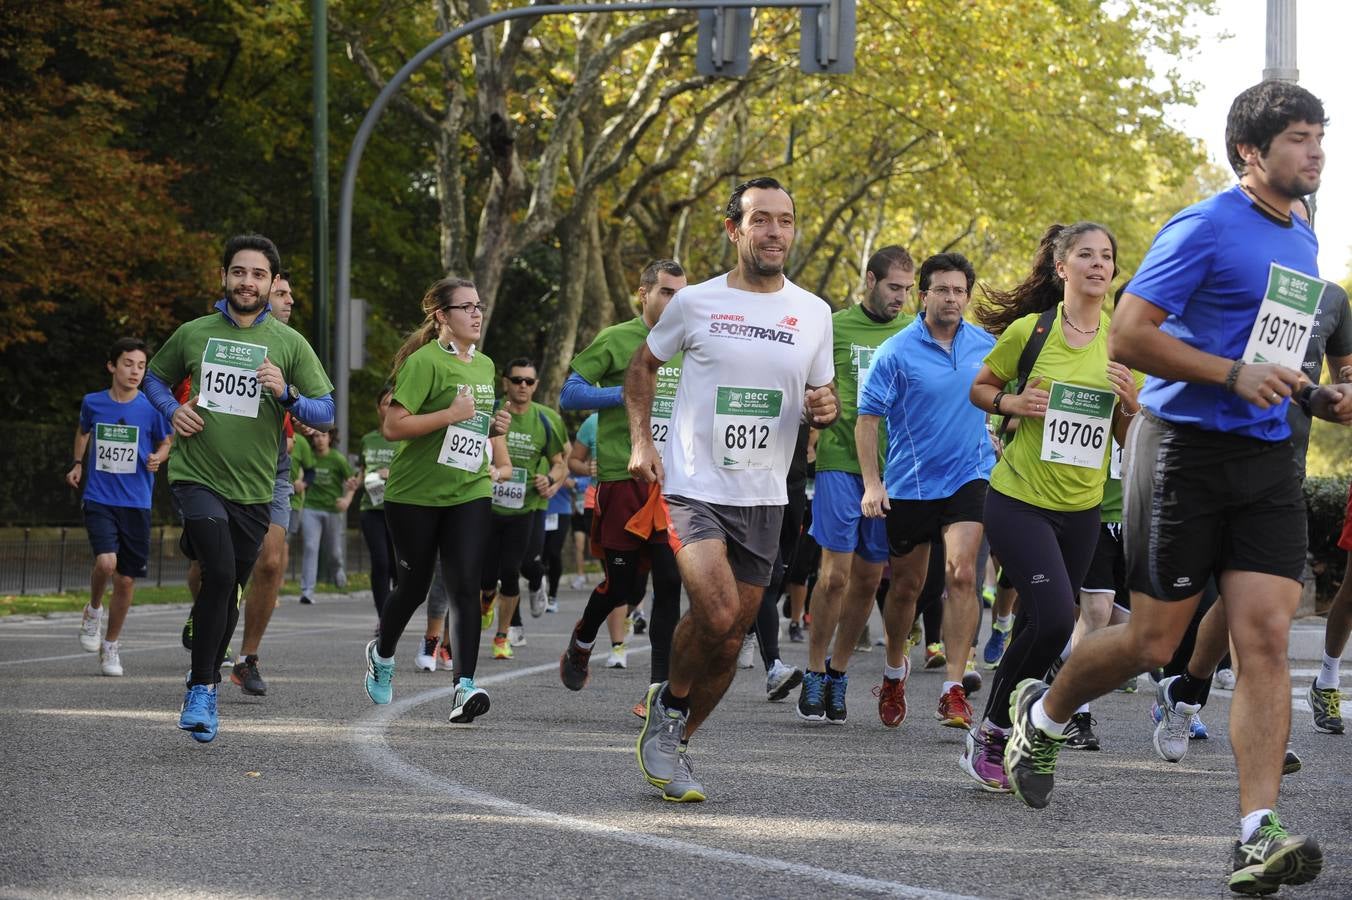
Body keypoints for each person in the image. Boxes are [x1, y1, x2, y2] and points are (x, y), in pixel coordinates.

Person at [1002, 82, 1346, 896]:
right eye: (1300, 139)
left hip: (1264, 463)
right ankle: (1042, 716)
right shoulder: (1202, 225)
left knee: (1261, 639)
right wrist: (1232, 374)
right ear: (1251, 154)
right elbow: (1130, 333)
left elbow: (1271, 347)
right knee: (1154, 644)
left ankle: (1256, 833)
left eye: (1321, 137)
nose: (1318, 152)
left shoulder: (1302, 230)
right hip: (1182, 453)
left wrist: (1315, 396)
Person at [626, 177, 837, 801]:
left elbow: (819, 398)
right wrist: (643, 441)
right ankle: (667, 711)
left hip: (768, 493)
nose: (775, 231)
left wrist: (823, 407)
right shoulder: (694, 303)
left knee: (731, 638)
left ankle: (675, 730)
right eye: (761, 219)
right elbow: (644, 366)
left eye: (785, 220)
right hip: (694, 485)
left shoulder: (814, 313)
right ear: (734, 229)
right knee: (716, 613)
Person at [958, 221, 1139, 791]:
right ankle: (991, 734)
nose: (1097, 264)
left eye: (1106, 256)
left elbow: (1125, 440)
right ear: (1062, 268)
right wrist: (1015, 401)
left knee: (1040, 621)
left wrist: (1130, 406)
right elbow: (981, 389)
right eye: (1085, 255)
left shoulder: (1123, 344)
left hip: (1083, 508)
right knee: (1060, 617)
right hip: (1018, 499)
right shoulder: (1030, 332)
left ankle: (998, 727)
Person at [145, 234, 334, 742]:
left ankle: (199, 670)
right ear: (224, 277)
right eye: (238, 272)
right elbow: (156, 380)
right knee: (222, 571)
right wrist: (172, 410)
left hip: (254, 488)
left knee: (227, 584)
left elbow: (326, 411)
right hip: (196, 474)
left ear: (272, 283)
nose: (246, 282)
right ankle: (204, 688)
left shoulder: (290, 345)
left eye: (257, 275)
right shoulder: (193, 333)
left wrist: (286, 392)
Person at [362, 277, 511, 724]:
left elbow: (470, 426)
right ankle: (382, 653)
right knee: (412, 585)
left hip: (469, 488)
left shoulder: (484, 365)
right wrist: (451, 415)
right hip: (415, 494)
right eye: (465, 307)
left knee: (465, 584)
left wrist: (491, 426)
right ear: (441, 317)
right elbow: (394, 426)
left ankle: (464, 686)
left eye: (478, 305)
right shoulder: (423, 363)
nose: (476, 313)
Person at [857, 252, 996, 732]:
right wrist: (873, 483)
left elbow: (1009, 398)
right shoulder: (896, 350)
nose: (952, 298)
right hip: (912, 483)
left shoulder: (986, 345)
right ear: (924, 295)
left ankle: (953, 688)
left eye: (960, 291)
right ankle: (895, 669)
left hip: (971, 475)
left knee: (961, 576)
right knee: (909, 589)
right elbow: (868, 419)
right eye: (943, 289)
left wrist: (1006, 427)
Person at [558, 260, 687, 702]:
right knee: (624, 587)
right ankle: (583, 637)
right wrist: (630, 389)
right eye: (667, 292)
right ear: (644, 294)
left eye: (681, 294)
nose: (675, 302)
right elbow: (569, 394)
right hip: (622, 476)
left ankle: (658, 693)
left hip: (674, 483)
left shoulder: (692, 343)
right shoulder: (617, 339)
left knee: (670, 583)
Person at [795, 245, 915, 725]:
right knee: (834, 576)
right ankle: (812, 670)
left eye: (908, 290)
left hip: (895, 472)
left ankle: (839, 672)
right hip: (840, 462)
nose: (900, 299)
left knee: (868, 579)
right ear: (870, 279)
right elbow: (807, 383)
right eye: (893, 288)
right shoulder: (834, 326)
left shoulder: (914, 334)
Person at [69, 338, 173, 676]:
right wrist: (77, 463)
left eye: (141, 366)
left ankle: (111, 645)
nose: (135, 371)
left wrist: (159, 456)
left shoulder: (151, 408)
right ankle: (93, 610)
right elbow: (83, 431)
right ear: (112, 366)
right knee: (106, 561)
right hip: (100, 497)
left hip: (136, 502)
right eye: (128, 363)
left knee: (126, 580)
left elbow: (166, 439)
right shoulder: (93, 402)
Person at [480, 357, 567, 658]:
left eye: (529, 381)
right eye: (517, 380)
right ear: (505, 382)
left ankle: (503, 637)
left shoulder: (546, 419)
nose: (522, 386)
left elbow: (560, 463)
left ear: (536, 385)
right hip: (487, 506)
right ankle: (487, 598)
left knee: (512, 569)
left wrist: (550, 479)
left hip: (526, 506)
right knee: (487, 576)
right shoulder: (489, 412)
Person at [298, 428, 357, 604]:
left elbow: (352, 483)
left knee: (334, 552)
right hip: (311, 508)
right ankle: (307, 591)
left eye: (323, 435)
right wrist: (300, 483)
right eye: (316, 436)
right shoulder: (309, 457)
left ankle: (338, 571)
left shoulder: (338, 459)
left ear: (330, 438)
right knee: (310, 547)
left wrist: (347, 500)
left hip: (332, 509)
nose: (320, 439)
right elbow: (302, 473)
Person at [357, 388, 400, 622]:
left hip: (399, 510)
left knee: (397, 568)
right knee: (380, 562)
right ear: (378, 408)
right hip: (371, 509)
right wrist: (359, 479)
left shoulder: (407, 437)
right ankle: (383, 619)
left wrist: (392, 473)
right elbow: (362, 471)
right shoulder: (368, 439)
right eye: (385, 403)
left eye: (395, 403)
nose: (390, 407)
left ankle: (395, 615)